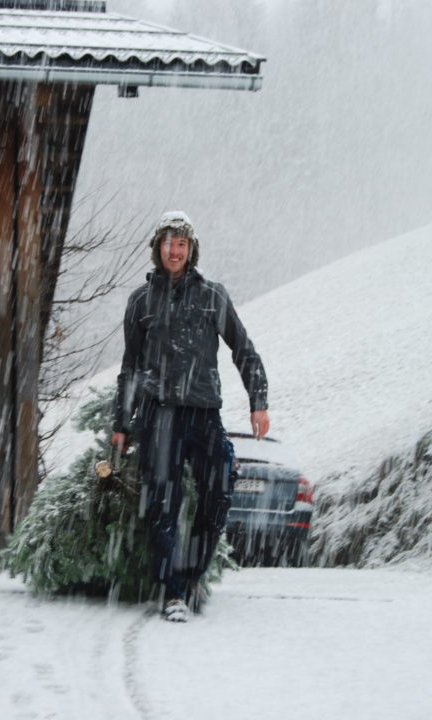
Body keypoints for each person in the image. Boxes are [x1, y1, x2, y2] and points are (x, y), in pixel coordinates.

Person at [111, 211, 269, 623]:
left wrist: (259, 400)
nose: (174, 251)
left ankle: (192, 574)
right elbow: (129, 366)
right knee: (163, 504)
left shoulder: (212, 296)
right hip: (157, 415)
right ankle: (173, 592)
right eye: (167, 243)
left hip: (202, 413)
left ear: (191, 249)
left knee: (219, 489)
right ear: (157, 249)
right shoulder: (141, 302)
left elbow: (243, 349)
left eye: (181, 244)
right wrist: (121, 424)